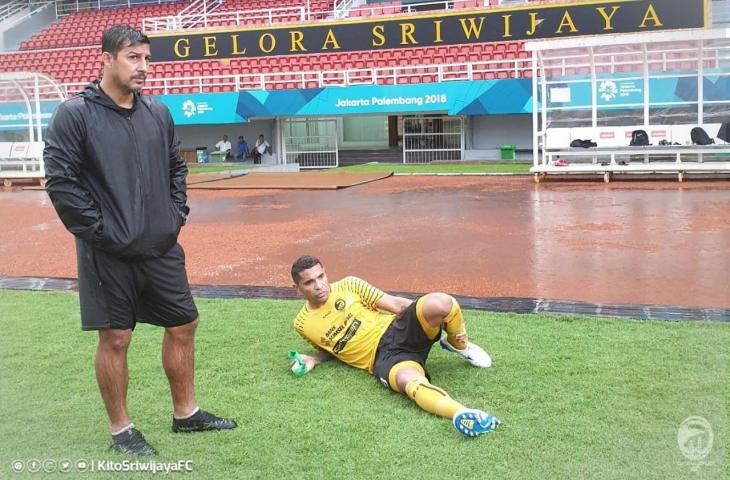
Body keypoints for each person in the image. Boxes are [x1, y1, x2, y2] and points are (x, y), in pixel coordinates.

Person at [43, 25, 236, 456]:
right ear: (107, 59)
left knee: (184, 323)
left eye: (146, 58)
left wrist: (173, 219)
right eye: (133, 57)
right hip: (107, 253)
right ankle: (121, 429)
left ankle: (186, 414)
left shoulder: (158, 113)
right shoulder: (74, 115)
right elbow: (62, 184)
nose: (144, 67)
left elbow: (176, 170)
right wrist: (103, 233)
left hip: (161, 246)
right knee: (116, 338)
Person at [289, 255, 500, 437]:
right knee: (408, 381)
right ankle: (464, 414)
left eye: (321, 276)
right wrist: (314, 359)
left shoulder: (349, 285)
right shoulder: (302, 324)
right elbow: (333, 350)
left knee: (441, 302)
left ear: (326, 273)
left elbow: (395, 304)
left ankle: (458, 345)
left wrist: (424, 314)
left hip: (398, 328)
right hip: (383, 358)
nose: (319, 286)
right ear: (297, 289)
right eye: (309, 282)